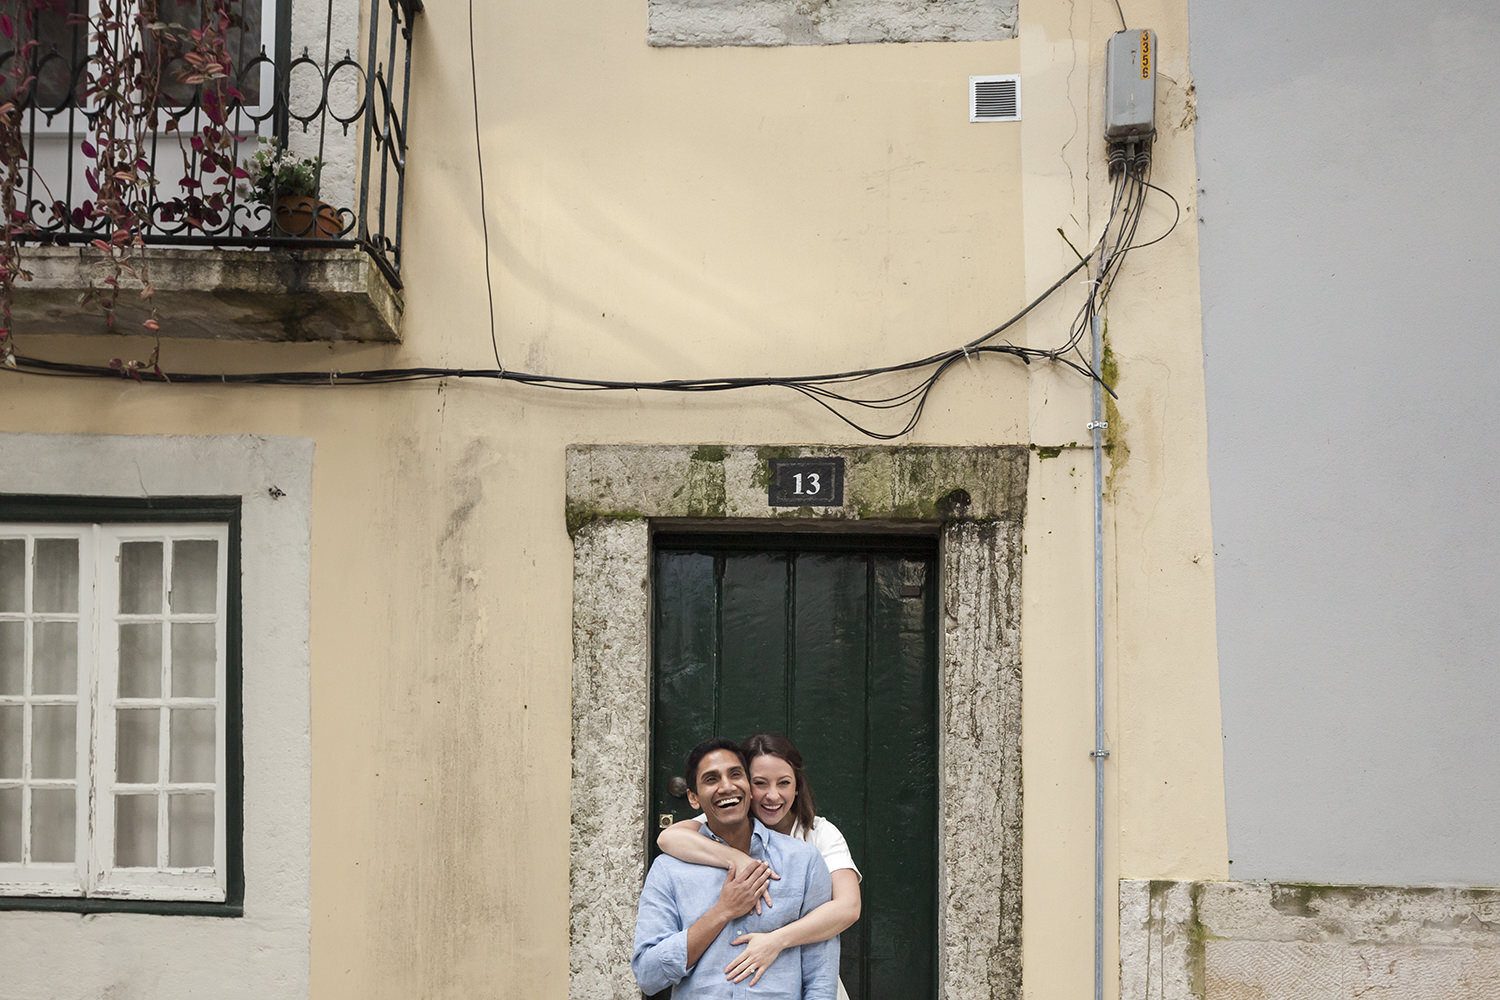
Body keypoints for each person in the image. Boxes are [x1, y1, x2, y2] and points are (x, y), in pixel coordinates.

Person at [657, 733, 862, 999]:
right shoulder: (728, 825)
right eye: (760, 783)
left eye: (784, 783)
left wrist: (775, 941)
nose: (772, 795)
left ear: (797, 786)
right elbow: (669, 837)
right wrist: (739, 859)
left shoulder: (818, 834)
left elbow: (848, 908)